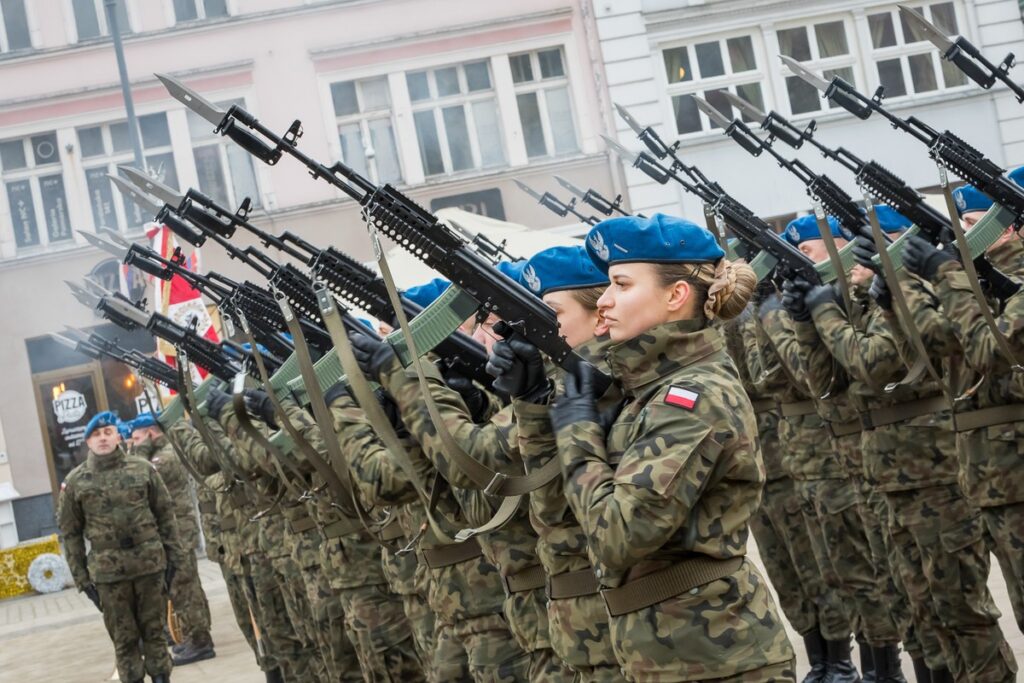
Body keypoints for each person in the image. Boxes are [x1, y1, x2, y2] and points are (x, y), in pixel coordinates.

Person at [554, 214, 794, 680]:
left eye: (622, 284)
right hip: (673, 652)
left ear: (676, 295)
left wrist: (575, 431)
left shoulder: (692, 399)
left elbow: (617, 536)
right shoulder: (651, 388)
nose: (604, 300)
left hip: (715, 658)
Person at [58, 410, 186, 683]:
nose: (102, 439)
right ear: (87, 442)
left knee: (154, 632)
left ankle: (162, 677)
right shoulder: (76, 482)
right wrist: (82, 579)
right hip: (109, 575)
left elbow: (165, 514)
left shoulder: (143, 469)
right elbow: (70, 535)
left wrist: (174, 558)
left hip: (149, 566)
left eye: (107, 433)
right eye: (95, 435)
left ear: (118, 435)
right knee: (124, 640)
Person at [130, 413, 216, 666]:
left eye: (137, 438)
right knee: (185, 586)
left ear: (150, 434)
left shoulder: (164, 457)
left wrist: (141, 449)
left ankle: (200, 640)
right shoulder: (160, 452)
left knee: (183, 587)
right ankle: (196, 634)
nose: (133, 444)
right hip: (175, 530)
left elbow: (136, 476)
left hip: (179, 532)